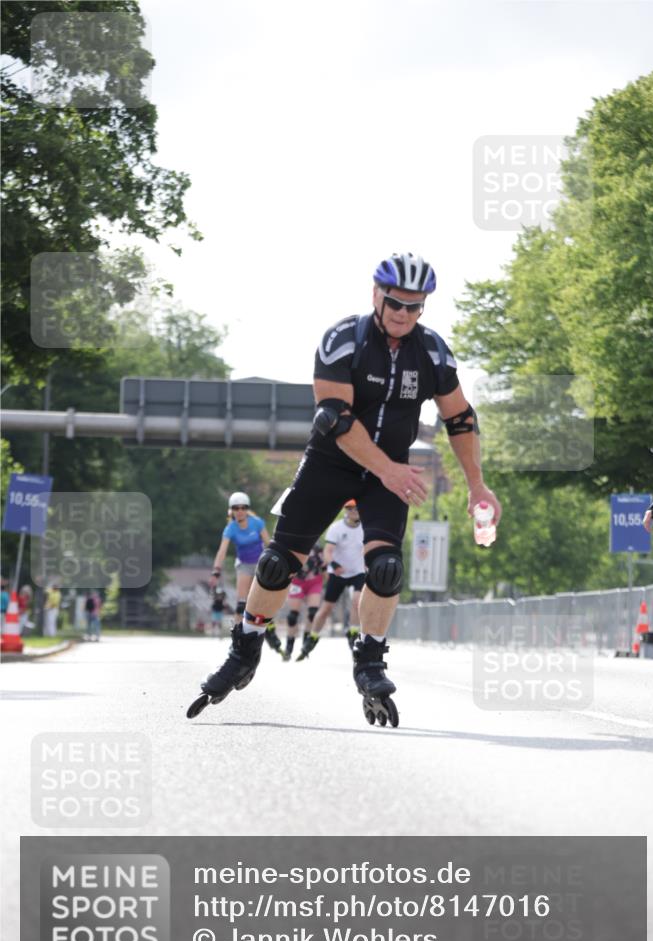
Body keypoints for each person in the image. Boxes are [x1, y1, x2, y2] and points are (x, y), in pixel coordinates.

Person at [189, 252, 501, 728]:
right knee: (277, 565)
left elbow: (460, 417)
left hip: (388, 474)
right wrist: (390, 471)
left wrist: (477, 485)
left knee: (387, 568)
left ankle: (370, 661)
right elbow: (334, 418)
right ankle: (245, 647)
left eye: (414, 307)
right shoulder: (343, 339)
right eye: (395, 302)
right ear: (376, 295)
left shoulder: (433, 352)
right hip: (331, 463)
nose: (403, 313)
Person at [297, 500, 365, 660]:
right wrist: (334, 565)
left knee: (357, 601)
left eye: (356, 507)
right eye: (349, 508)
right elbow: (328, 552)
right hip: (338, 572)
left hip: (358, 572)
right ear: (345, 510)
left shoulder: (366, 527)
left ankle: (353, 632)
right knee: (327, 608)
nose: (353, 511)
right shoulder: (336, 528)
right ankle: (312, 637)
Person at [209, 490, 271, 624]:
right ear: (231, 510)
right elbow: (222, 551)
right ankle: (236, 636)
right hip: (244, 565)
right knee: (241, 604)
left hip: (260, 564)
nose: (240, 511)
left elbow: (269, 544)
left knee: (260, 602)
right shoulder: (230, 528)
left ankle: (269, 629)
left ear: (247, 509)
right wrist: (216, 570)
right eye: (236, 508)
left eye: (243, 508)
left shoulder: (257, 522)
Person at [280, 541, 326, 661]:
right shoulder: (293, 544)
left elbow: (324, 568)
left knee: (312, 613)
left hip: (314, 582)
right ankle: (289, 647)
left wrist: (324, 585)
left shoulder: (317, 548)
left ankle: (306, 643)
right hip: (297, 582)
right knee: (292, 616)